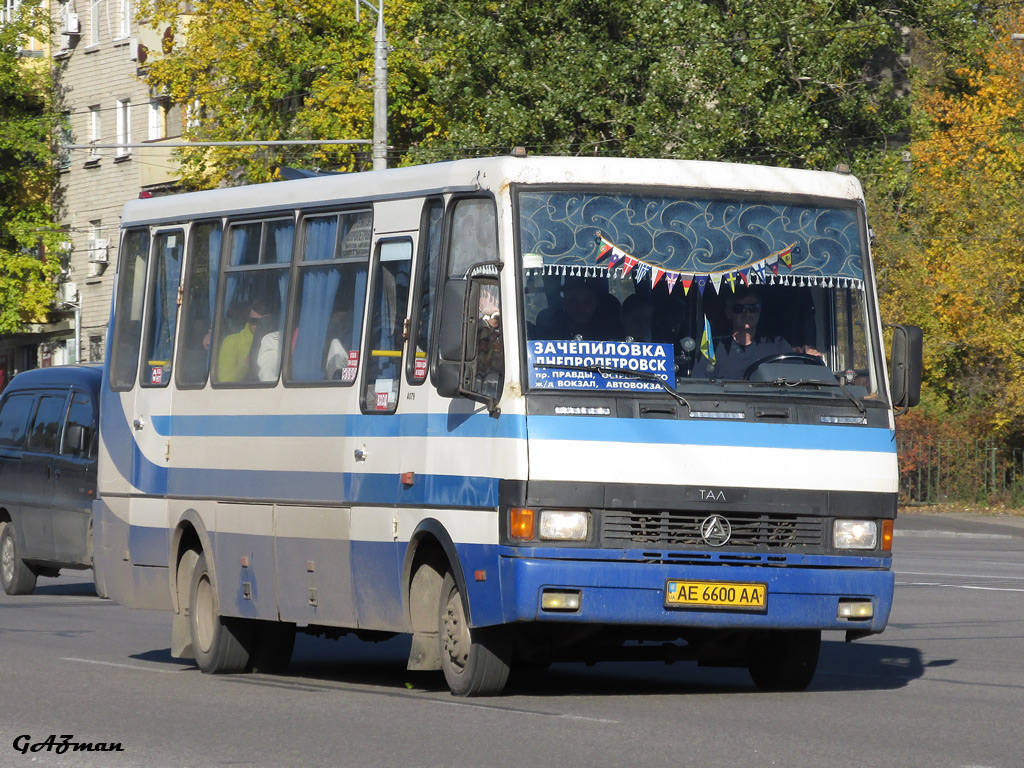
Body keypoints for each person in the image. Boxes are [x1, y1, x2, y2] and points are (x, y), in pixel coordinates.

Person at [693, 289, 817, 380]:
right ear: (729, 313)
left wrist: (810, 362)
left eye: (753, 308)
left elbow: (799, 378)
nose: (747, 314)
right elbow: (699, 387)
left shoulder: (777, 345)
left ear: (759, 311)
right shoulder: (712, 349)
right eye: (740, 309)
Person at [217, 300, 267, 382]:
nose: (258, 325)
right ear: (248, 320)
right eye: (254, 321)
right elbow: (225, 380)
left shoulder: (278, 342)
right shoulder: (231, 342)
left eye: (262, 322)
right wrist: (246, 364)